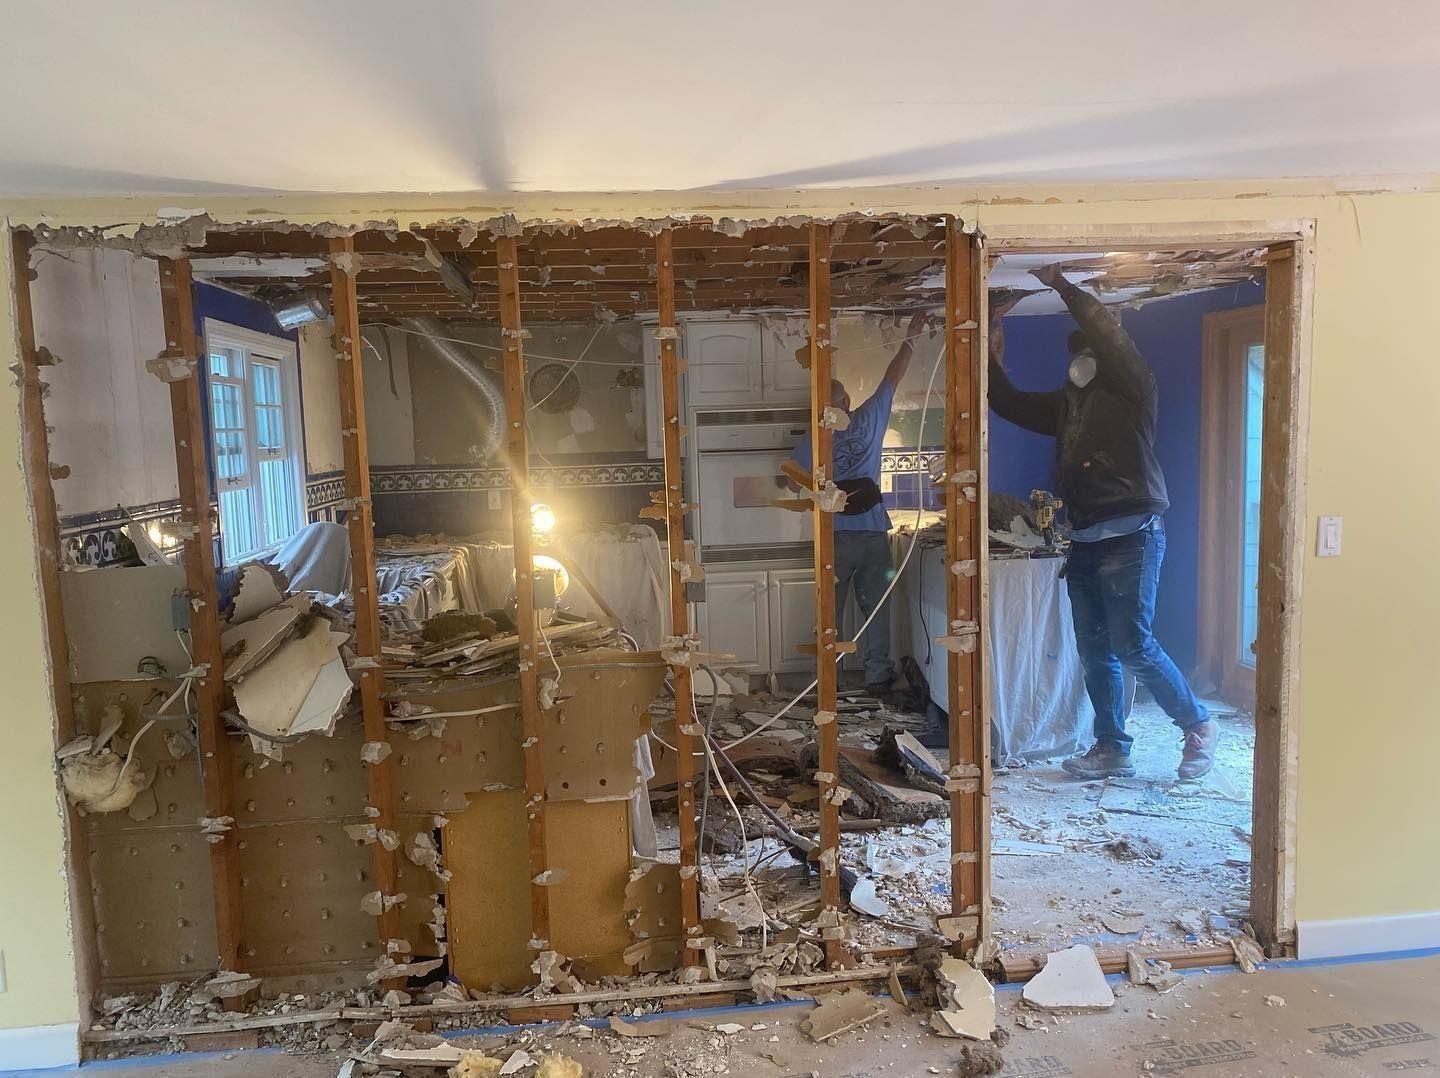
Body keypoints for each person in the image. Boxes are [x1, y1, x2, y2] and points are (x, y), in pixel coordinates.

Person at [988, 266, 1217, 780]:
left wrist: (1063, 284)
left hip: (1132, 533)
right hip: (1087, 539)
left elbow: (1111, 338)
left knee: (1132, 643)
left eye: (1089, 350)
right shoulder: (1069, 406)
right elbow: (1006, 402)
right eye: (1078, 352)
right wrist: (988, 346)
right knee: (1095, 651)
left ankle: (1198, 726)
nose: (1082, 359)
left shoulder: (1134, 389)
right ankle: (1112, 747)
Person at [789, 311, 926, 694]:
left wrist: (817, 489)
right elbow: (892, 378)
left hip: (835, 539)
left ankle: (826, 679)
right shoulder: (867, 417)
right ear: (846, 401)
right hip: (871, 535)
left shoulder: (815, 438)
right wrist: (912, 335)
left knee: (829, 612)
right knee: (874, 610)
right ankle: (877, 675)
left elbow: (789, 474)